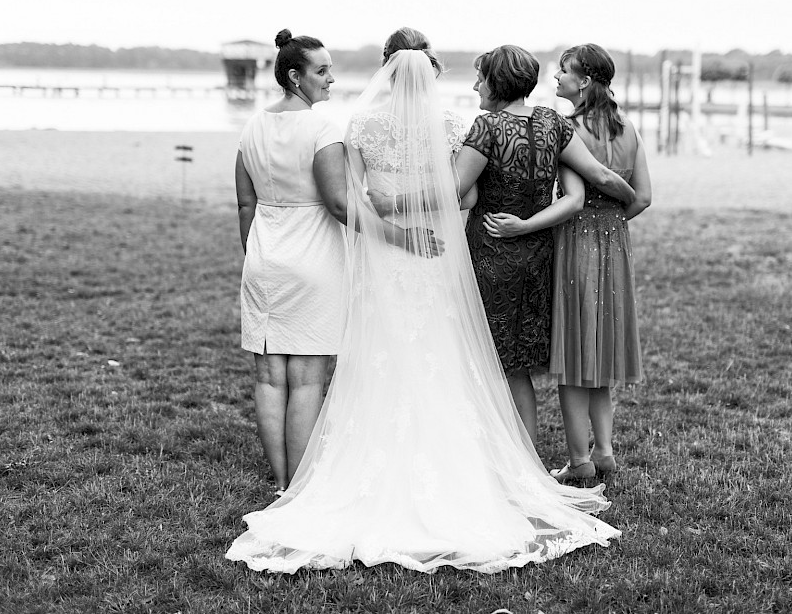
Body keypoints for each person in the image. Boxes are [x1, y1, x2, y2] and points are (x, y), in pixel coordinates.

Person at [226, 30, 619, 574]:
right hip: (435, 255)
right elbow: (468, 193)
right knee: (442, 354)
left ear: (387, 70)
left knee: (374, 355)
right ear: (430, 72)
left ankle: (305, 478)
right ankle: (458, 466)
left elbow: (354, 199)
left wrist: (388, 213)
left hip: (381, 256)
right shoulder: (453, 124)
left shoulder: (358, 126)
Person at [455, 45, 637, 445]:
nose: (475, 86)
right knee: (517, 367)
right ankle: (524, 461)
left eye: (480, 78)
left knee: (487, 360)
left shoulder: (486, 128)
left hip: (492, 250)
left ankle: (490, 453)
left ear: (496, 82)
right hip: (537, 256)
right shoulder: (553, 122)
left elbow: (456, 192)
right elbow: (597, 177)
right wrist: (631, 199)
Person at [235, 29, 348, 494]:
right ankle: (299, 487)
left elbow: (245, 204)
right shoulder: (323, 128)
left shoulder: (251, 126)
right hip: (313, 259)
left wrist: (255, 252)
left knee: (269, 376)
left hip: (264, 257)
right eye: (322, 71)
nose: (331, 79)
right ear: (295, 76)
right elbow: (339, 204)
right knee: (306, 379)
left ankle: (281, 479)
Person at [547, 43, 652, 482]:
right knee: (601, 349)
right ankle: (605, 451)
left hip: (575, 242)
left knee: (573, 354)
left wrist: (587, 224)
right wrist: (611, 220)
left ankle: (579, 461)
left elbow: (571, 202)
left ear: (584, 81)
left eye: (563, 71)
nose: (556, 78)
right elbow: (644, 197)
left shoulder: (568, 130)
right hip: (616, 243)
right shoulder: (629, 128)